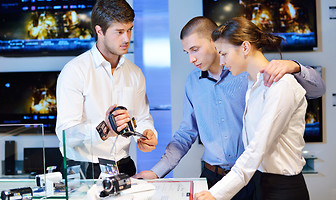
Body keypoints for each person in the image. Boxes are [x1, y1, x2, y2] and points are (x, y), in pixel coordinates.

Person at [133, 16, 325, 199]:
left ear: (214, 42)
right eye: (187, 52)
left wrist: (295, 66)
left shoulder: (255, 76)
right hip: (213, 175)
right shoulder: (195, 82)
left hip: (251, 177)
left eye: (194, 49)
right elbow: (185, 133)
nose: (191, 59)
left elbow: (316, 90)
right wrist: (156, 172)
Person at [195, 17, 311, 200]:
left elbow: (256, 150)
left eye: (224, 54)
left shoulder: (281, 85)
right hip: (257, 184)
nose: (222, 61)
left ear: (245, 48)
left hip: (282, 190)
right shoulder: (253, 84)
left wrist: (215, 194)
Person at [56, 0, 158, 179]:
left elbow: (142, 117)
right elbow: (65, 134)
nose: (126, 38)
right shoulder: (74, 71)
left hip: (124, 166)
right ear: (99, 31)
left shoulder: (135, 73)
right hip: (83, 170)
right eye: (119, 32)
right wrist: (105, 129)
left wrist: (146, 134)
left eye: (129, 30)